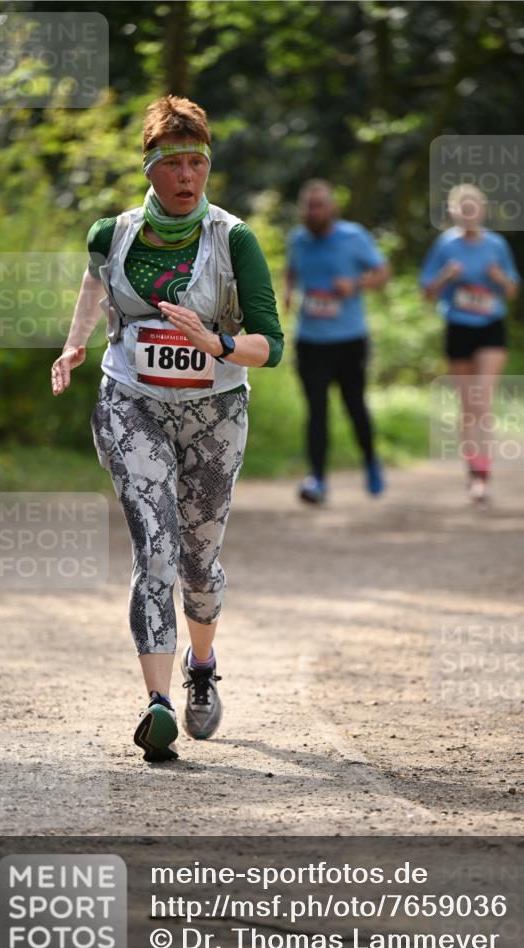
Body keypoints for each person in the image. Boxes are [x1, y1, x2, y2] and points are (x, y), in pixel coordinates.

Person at [50, 96, 283, 762]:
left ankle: (200, 669)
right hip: (133, 402)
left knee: (198, 562)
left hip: (215, 410)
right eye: (174, 164)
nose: (188, 177)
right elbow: (95, 287)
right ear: (150, 169)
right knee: (153, 548)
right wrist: (75, 345)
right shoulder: (112, 233)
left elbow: (272, 342)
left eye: (197, 164)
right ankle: (155, 706)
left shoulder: (232, 237)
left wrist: (217, 342)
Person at [284, 179, 390, 504]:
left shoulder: (354, 236)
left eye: (320, 205)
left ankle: (370, 461)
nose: (314, 211)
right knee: (317, 411)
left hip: (348, 340)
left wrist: (356, 284)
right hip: (310, 340)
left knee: (354, 406)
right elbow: (292, 271)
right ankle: (317, 478)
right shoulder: (298, 239)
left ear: (333, 208)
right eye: (309, 205)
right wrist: (288, 291)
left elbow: (383, 273)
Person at [420, 184, 520, 504]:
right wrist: (446, 276)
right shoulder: (445, 245)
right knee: (467, 407)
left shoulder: (497, 245)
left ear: (483, 210)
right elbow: (426, 290)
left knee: (481, 402)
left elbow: (513, 289)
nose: (467, 212)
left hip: (491, 326)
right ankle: (472, 471)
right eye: (461, 207)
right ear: (452, 212)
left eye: (472, 206)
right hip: (458, 327)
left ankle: (484, 476)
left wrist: (498, 277)